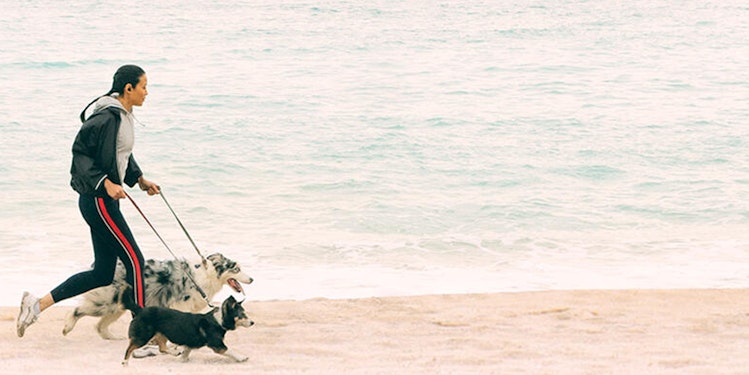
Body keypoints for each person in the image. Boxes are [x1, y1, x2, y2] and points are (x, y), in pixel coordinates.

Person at [17, 65, 160, 337]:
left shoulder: (124, 116)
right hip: (97, 200)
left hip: (104, 202)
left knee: (103, 274)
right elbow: (81, 154)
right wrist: (105, 183)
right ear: (128, 88)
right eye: (143, 86)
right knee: (134, 260)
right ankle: (144, 335)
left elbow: (120, 154)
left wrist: (139, 179)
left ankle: (35, 306)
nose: (147, 92)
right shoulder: (106, 117)